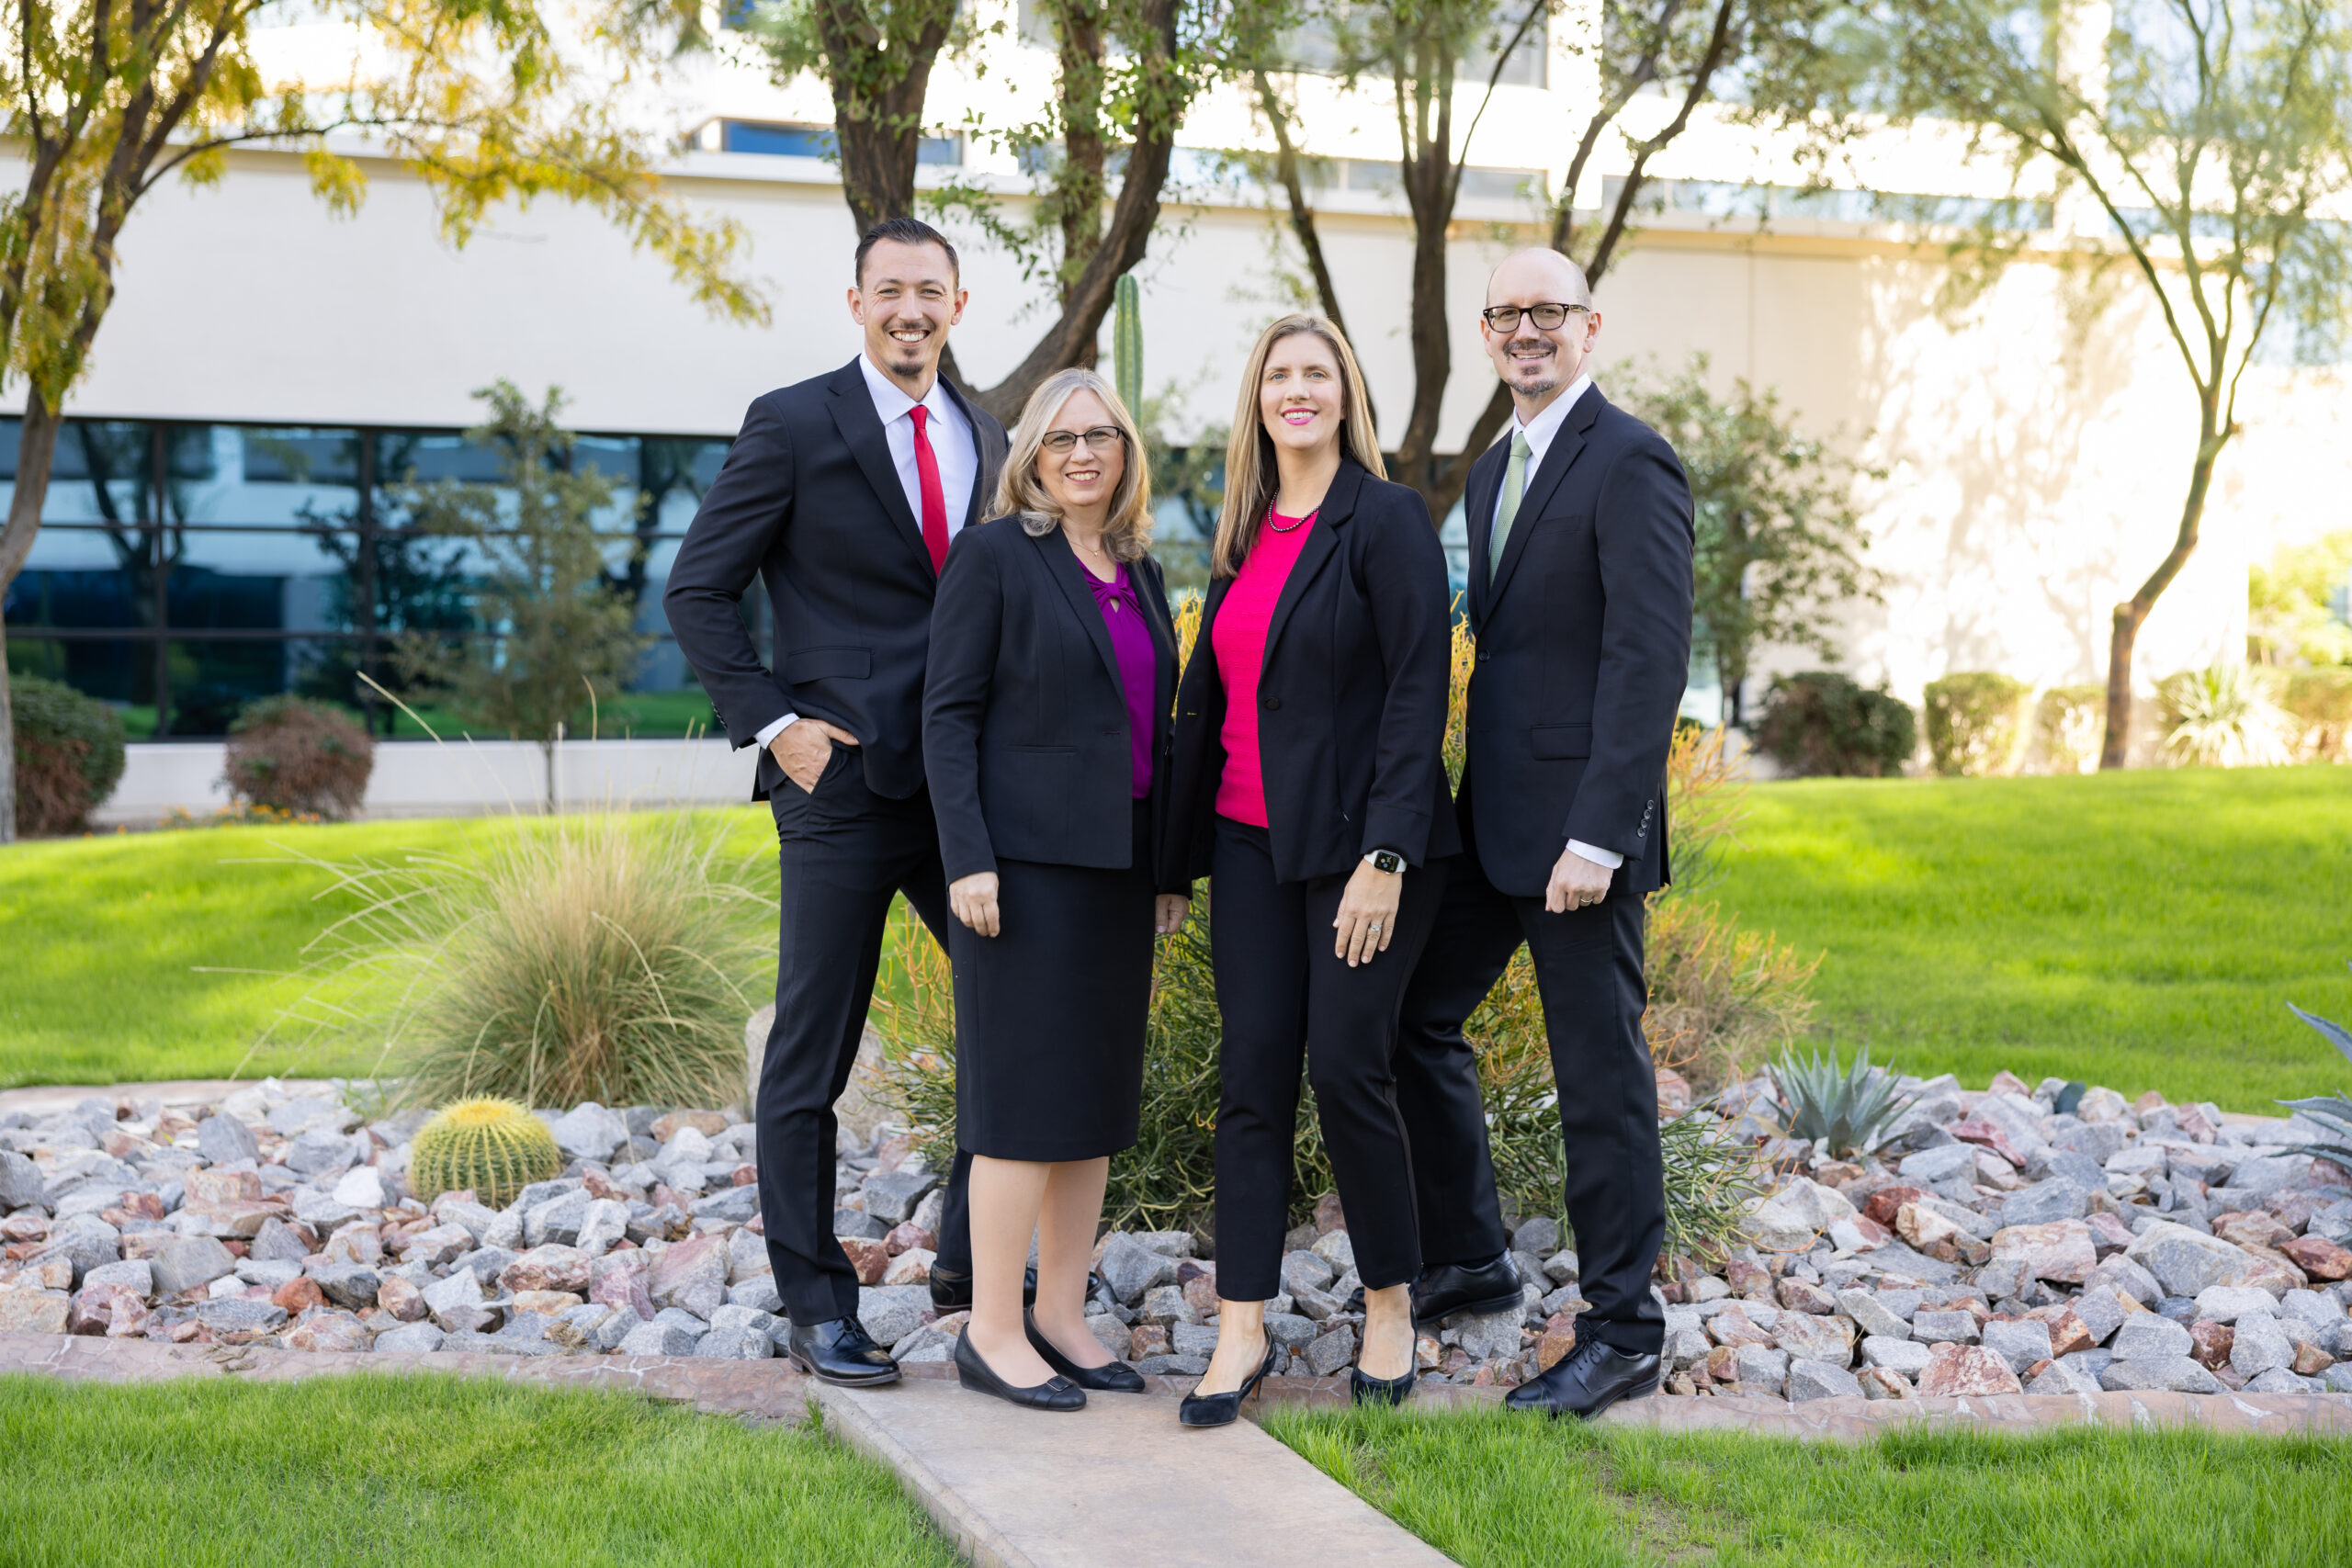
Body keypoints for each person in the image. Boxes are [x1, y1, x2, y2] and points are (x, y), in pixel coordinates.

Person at [662, 217, 1009, 1387]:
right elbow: (698, 588)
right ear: (855, 302)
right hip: (841, 782)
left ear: (957, 307)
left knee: (1010, 1013)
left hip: (963, 789)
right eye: (890, 292)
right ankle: (817, 1305)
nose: (911, 311)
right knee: (812, 1048)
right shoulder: (793, 421)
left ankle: (970, 1260)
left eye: (932, 293)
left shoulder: (984, 429)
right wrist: (776, 725)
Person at [1391, 247, 1695, 1419]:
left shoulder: (1629, 461)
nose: (1528, 329)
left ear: (1590, 326)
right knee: (1415, 1013)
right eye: (1507, 313)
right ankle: (1470, 1256)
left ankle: (1624, 1331)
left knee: (1599, 1081)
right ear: (1485, 333)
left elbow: (1646, 662)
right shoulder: (1491, 471)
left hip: (1579, 844)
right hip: (1494, 826)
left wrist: (1601, 836)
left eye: (1548, 312)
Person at [1161, 315, 1459, 1426]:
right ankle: (1242, 1325)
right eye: (1278, 375)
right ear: (1259, 399)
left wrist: (1384, 854)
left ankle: (1390, 1300)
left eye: (1314, 375)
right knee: (1250, 1083)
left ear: (1344, 397)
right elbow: (1217, 705)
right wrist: (1172, 869)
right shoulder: (1240, 531)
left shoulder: (1384, 522)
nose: (1296, 391)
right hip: (1247, 849)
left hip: (1358, 852)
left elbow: (1416, 696)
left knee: (1345, 1069)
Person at [922, 368, 1189, 1412]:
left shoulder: (1138, 570)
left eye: (1102, 436)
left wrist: (1166, 869)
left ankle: (1062, 1315)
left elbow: (1154, 736)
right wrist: (967, 859)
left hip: (1119, 871)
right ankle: (992, 1330)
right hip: (1020, 873)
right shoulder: (994, 560)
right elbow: (946, 719)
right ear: (1030, 455)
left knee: (1091, 1108)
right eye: (1061, 439)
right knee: (1020, 1109)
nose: (1082, 454)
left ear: (1125, 452)